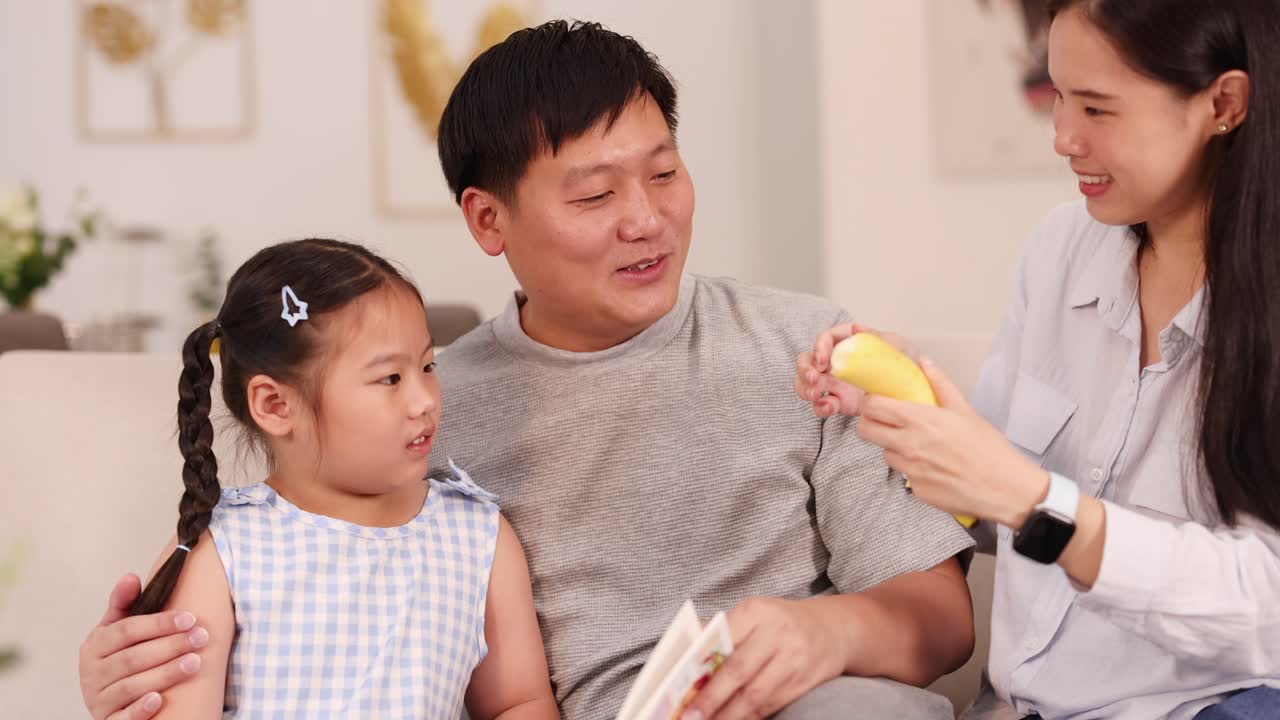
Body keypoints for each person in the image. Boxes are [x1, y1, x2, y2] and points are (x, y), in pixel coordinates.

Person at [78, 21, 977, 720]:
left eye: (664, 174)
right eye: (595, 194)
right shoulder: (424, 418)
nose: (646, 220)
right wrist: (133, 672)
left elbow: (944, 621)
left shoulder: (807, 349)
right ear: (488, 220)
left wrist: (826, 631)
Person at [797, 1, 1280, 717]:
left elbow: (1267, 612)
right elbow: (1002, 507)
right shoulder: (1061, 250)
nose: (1063, 138)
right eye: (1057, 96)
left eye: (1097, 108)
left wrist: (1038, 503)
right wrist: (912, 408)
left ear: (1223, 104)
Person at [89, 238, 557, 718]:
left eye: (427, 366)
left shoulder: (475, 535)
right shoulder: (223, 548)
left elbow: (517, 702)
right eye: (390, 378)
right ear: (276, 405)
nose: (424, 400)